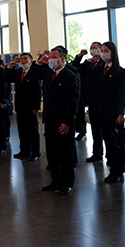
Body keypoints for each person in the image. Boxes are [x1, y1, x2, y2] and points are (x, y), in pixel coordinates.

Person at [38, 46, 80, 195]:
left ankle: (67, 182)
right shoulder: (49, 74)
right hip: (50, 119)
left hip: (63, 121)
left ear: (62, 59)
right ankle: (55, 180)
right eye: (50, 57)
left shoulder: (70, 75)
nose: (51, 60)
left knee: (66, 152)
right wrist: (40, 61)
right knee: (52, 152)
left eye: (54, 57)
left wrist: (67, 121)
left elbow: (73, 102)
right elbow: (35, 74)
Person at [94, 41, 125, 183]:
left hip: (114, 111)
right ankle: (112, 168)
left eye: (106, 50)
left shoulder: (118, 71)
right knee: (107, 140)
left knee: (117, 142)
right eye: (101, 50)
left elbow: (122, 94)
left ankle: (119, 171)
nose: (103, 53)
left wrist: (121, 113)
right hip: (102, 110)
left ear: (112, 53)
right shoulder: (100, 69)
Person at [5, 53, 42, 161]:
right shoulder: (19, 73)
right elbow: (7, 78)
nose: (23, 60)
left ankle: (35, 152)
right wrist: (10, 67)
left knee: (32, 130)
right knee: (22, 130)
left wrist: (36, 107)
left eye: (26, 58)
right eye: (21, 59)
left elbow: (37, 91)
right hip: (20, 106)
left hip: (31, 106)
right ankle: (24, 151)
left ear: (31, 61)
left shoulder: (34, 73)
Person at [82, 42, 105, 162]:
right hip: (92, 101)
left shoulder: (104, 63)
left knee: (104, 130)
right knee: (95, 129)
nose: (93, 50)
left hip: (102, 101)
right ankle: (97, 153)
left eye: (95, 48)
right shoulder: (90, 63)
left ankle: (110, 156)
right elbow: (80, 70)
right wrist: (89, 60)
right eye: (91, 48)